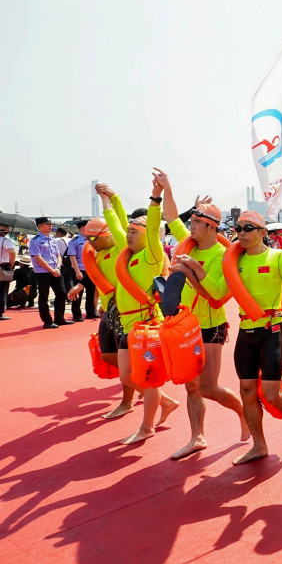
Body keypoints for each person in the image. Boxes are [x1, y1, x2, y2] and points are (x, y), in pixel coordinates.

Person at [155, 171, 251, 460]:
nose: (191, 226)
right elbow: (172, 217)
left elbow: (218, 294)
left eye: (196, 223)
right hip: (184, 324)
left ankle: (244, 412)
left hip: (210, 325)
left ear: (211, 227)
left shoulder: (225, 256)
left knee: (208, 387)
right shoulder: (188, 243)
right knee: (191, 386)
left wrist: (194, 270)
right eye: (192, 222)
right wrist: (166, 188)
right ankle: (197, 436)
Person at [211, 209, 282, 464]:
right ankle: (259, 445)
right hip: (246, 332)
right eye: (238, 228)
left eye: (248, 228)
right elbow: (218, 292)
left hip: (270, 331)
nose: (241, 233)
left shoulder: (277, 256)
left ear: (262, 232)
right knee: (247, 391)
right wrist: (192, 272)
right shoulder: (235, 260)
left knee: (272, 394)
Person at [110, 179, 181, 443]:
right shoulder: (126, 255)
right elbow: (116, 226)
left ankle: (147, 427)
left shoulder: (152, 255)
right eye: (128, 232)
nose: (128, 236)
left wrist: (155, 197)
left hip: (147, 325)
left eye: (134, 232)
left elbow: (152, 227)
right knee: (126, 375)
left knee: (150, 380)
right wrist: (110, 200)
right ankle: (167, 402)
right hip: (128, 325)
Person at [29, 217, 69, 328]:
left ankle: (59, 318)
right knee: (44, 296)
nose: (50, 226)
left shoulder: (53, 239)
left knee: (61, 293)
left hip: (55, 270)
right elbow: (38, 258)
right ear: (40, 226)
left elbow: (58, 255)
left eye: (50, 224)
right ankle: (47, 321)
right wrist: (51, 270)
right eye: (47, 224)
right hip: (42, 271)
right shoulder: (35, 240)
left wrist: (58, 267)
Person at [67, 224, 97, 321]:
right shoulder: (75, 241)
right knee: (77, 293)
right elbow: (72, 256)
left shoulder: (92, 240)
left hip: (90, 270)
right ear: (82, 228)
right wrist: (77, 271)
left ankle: (91, 312)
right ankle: (76, 314)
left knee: (91, 292)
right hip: (79, 269)